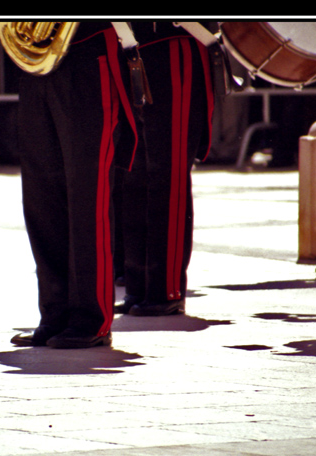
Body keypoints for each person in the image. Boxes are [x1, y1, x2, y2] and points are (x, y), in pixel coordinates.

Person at [7, 22, 138, 349]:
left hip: (87, 52)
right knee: (41, 198)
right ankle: (55, 313)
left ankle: (91, 319)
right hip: (36, 61)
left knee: (86, 196)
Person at [113, 21, 214, 317]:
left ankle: (165, 289)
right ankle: (138, 284)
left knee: (166, 175)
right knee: (133, 176)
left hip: (173, 44)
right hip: (131, 47)